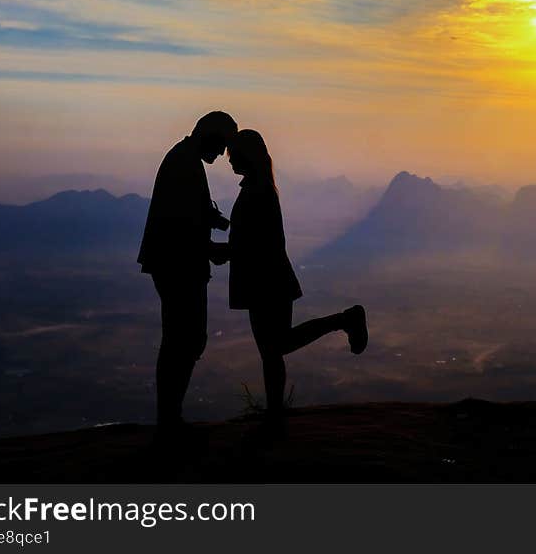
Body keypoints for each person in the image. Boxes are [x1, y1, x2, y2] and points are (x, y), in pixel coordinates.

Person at [220, 129, 368, 428]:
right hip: (267, 278)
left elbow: (255, 243)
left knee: (274, 348)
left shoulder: (256, 191)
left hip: (265, 281)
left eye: (233, 155)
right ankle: (275, 409)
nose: (230, 161)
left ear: (247, 155)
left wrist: (222, 249)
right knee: (275, 348)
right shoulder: (259, 187)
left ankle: (345, 320)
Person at [137, 110, 238, 440]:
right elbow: (182, 225)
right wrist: (214, 249)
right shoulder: (185, 163)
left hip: (175, 263)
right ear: (210, 137)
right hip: (177, 265)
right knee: (184, 340)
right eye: (222, 146)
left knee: (183, 339)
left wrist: (218, 222)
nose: (222, 155)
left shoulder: (184, 159)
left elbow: (193, 211)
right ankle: (169, 419)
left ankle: (169, 417)